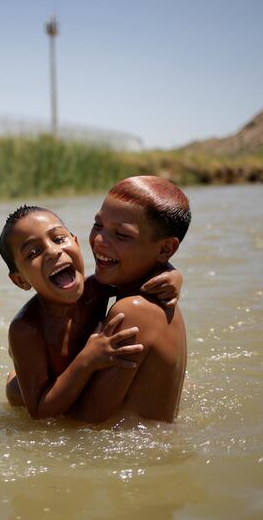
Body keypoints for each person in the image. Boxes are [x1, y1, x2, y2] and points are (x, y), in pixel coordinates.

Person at [0, 205, 182, 420]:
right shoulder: (26, 329)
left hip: (79, 377)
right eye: (33, 252)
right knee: (16, 392)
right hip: (42, 389)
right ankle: (16, 380)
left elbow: (140, 275)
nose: (52, 251)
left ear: (76, 242)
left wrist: (172, 274)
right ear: (20, 280)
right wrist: (87, 359)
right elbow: (39, 411)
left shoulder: (96, 290)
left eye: (58, 239)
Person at [69, 176, 191, 423]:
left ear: (165, 249)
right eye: (98, 224)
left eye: (122, 235)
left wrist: (19, 391)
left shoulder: (134, 311)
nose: (100, 241)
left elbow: (85, 421)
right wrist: (171, 270)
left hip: (128, 456)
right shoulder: (148, 295)